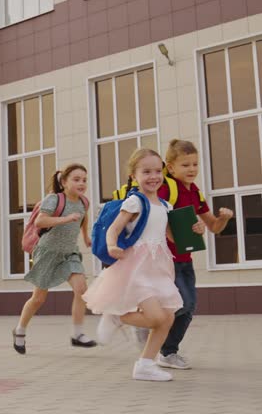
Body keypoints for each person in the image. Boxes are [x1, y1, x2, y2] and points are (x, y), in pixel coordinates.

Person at [83, 148, 183, 382]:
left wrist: (194, 229)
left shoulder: (166, 206)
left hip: (159, 267)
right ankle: (118, 316)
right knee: (157, 318)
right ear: (134, 176)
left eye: (157, 171)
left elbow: (172, 237)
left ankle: (145, 365)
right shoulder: (135, 201)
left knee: (168, 317)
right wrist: (110, 246)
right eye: (146, 171)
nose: (153, 176)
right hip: (137, 266)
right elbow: (115, 229)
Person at [156, 139, 233, 370]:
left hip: (185, 259)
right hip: (165, 259)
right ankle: (153, 330)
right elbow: (153, 219)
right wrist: (178, 231)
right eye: (185, 165)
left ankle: (167, 352)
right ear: (170, 167)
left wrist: (225, 219)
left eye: (195, 164)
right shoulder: (166, 187)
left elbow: (213, 227)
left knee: (189, 308)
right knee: (183, 303)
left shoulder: (195, 191)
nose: (192, 169)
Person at [12, 163, 97, 354]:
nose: (82, 183)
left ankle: (77, 334)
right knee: (38, 299)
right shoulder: (54, 199)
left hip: (69, 253)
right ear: (65, 182)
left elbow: (83, 217)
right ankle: (20, 330)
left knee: (81, 289)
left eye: (84, 180)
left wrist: (85, 236)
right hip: (47, 253)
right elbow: (40, 221)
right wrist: (65, 219)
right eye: (76, 179)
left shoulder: (84, 202)